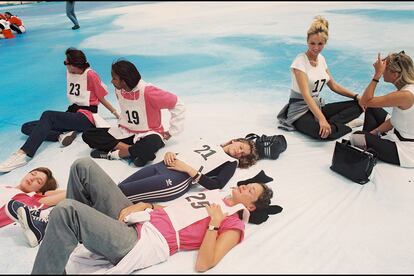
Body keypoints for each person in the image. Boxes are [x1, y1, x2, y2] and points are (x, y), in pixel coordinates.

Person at [30, 157, 273, 274]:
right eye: (248, 183)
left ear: (250, 207)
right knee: (83, 166)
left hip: (143, 241)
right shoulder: (217, 195)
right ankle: (69, 235)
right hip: (141, 219)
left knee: (66, 210)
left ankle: (64, 234)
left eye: (250, 190)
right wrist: (145, 204)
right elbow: (173, 212)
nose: (244, 186)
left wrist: (214, 226)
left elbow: (204, 263)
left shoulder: (233, 222)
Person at [0, 47, 118, 173]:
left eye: (65, 63)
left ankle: (24, 154)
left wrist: (115, 112)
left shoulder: (91, 75)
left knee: (48, 115)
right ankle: (60, 136)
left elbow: (101, 97)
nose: (65, 65)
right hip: (72, 114)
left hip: (86, 117)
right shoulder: (71, 72)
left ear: (73, 65)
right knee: (26, 127)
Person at [82, 59, 185, 167]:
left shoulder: (148, 92)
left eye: (114, 78)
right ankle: (133, 152)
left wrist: (173, 131)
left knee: (151, 143)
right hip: (126, 132)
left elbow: (178, 104)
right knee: (88, 134)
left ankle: (114, 154)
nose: (111, 81)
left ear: (124, 81)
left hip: (148, 133)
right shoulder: (119, 90)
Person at [277, 15, 364, 140]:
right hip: (300, 112)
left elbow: (333, 85)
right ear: (307, 41)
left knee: (359, 105)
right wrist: (322, 119)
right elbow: (306, 96)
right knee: (323, 133)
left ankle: (333, 124)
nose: (316, 48)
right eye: (312, 43)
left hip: (317, 107)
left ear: (325, 43)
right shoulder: (300, 62)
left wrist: (357, 96)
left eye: (320, 44)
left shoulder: (321, 60)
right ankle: (346, 125)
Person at [118, 137, 259, 203]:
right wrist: (170, 153)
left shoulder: (231, 162)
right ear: (234, 140)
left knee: (123, 194)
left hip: (177, 179)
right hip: (163, 164)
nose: (239, 153)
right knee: (119, 187)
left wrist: (189, 170)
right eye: (241, 147)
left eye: (243, 155)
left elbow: (217, 185)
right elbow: (188, 154)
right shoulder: (208, 143)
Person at [349, 51, 414, 167]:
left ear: (395, 74)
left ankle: (366, 140)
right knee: (372, 109)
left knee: (356, 137)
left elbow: (364, 101)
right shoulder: (408, 89)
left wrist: (377, 75)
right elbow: (395, 119)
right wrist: (374, 132)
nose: (383, 71)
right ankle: (368, 138)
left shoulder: (405, 95)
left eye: (385, 68)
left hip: (406, 150)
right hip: (400, 132)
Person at [0, 167, 65, 247]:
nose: (32, 178)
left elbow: (70, 193)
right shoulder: (4, 185)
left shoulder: (29, 198)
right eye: (33, 174)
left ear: (40, 191)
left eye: (38, 181)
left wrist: (46, 192)